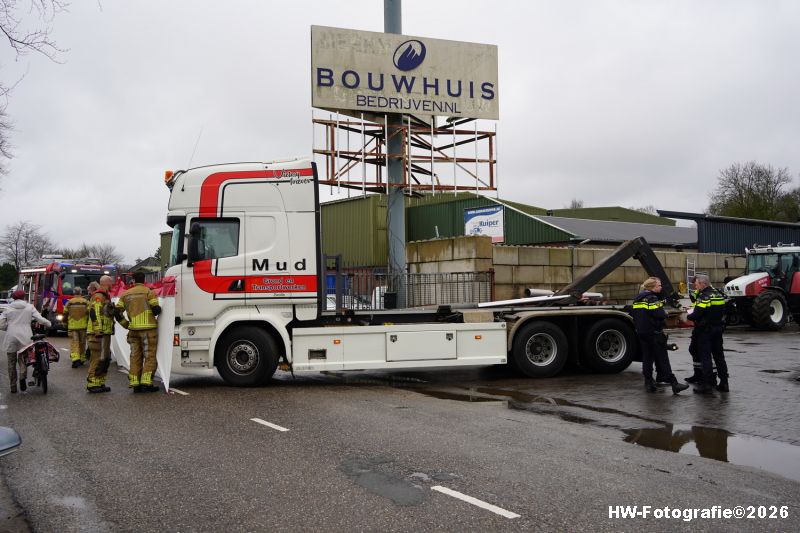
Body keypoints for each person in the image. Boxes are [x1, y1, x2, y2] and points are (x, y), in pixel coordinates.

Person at [631, 277, 689, 394]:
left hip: (642, 332)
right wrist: (665, 313)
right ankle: (674, 384)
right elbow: (659, 314)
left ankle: (649, 383)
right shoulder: (652, 299)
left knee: (647, 358)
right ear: (652, 287)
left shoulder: (637, 299)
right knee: (662, 358)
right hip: (654, 332)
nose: (661, 287)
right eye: (659, 286)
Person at [115, 271, 161, 393]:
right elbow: (156, 310)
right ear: (144, 279)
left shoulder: (125, 294)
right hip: (148, 330)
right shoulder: (148, 292)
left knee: (135, 356)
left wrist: (126, 325)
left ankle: (135, 383)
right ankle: (146, 383)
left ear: (133, 280)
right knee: (149, 356)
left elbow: (116, 312)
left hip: (133, 331)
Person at [0, 290, 51, 393]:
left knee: (11, 362)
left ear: (13, 298)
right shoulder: (29, 307)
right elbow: (39, 319)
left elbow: (1, 324)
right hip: (26, 336)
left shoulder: (8, 308)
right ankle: (22, 377)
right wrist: (48, 323)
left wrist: (9, 328)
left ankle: (13, 386)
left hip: (11, 337)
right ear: (24, 297)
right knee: (23, 358)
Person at [686, 274, 728, 394]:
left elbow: (697, 314)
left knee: (705, 357)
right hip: (718, 329)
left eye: (697, 284)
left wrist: (688, 316)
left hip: (705, 330)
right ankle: (724, 383)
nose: (695, 286)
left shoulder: (704, 297)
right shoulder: (719, 295)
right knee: (719, 357)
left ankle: (707, 383)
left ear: (703, 284)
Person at [86, 277, 114, 393]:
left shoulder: (106, 296)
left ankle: (100, 382)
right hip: (98, 334)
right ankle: (92, 384)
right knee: (97, 359)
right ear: (107, 283)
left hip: (105, 333)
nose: (112, 285)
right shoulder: (99, 296)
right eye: (111, 283)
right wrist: (98, 330)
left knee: (105, 360)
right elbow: (95, 313)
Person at [63, 287, 89, 368]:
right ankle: (81, 359)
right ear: (81, 293)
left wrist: (65, 323)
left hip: (73, 326)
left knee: (74, 343)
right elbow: (89, 313)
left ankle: (75, 360)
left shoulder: (69, 302)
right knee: (82, 343)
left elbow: (65, 313)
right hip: (83, 326)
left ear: (74, 293)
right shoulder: (86, 302)